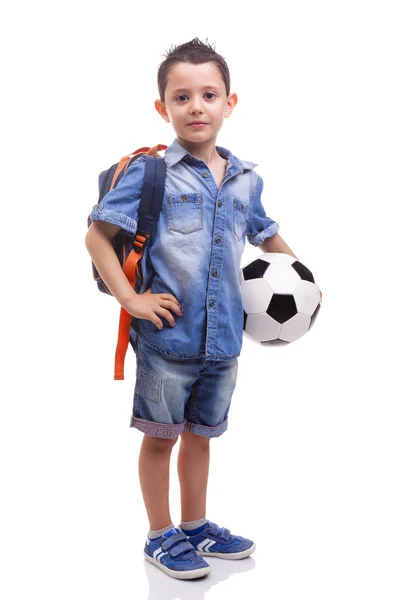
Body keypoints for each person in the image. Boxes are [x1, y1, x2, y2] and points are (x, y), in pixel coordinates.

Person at [85, 37, 322, 580]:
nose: (196, 106)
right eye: (182, 96)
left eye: (208, 94)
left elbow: (266, 234)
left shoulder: (244, 178)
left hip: (224, 343)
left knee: (202, 435)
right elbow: (97, 237)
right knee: (159, 438)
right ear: (162, 107)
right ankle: (159, 535)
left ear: (229, 103)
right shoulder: (153, 174)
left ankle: (195, 526)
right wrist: (130, 298)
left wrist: (305, 280)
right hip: (168, 339)